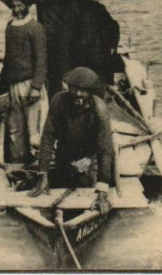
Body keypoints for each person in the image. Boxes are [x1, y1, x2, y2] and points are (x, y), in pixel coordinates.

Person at [28, 67, 113, 216]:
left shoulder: (100, 110)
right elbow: (47, 138)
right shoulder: (58, 102)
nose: (79, 94)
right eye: (75, 89)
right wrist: (43, 174)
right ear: (68, 87)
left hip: (89, 162)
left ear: (91, 92)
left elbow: (105, 152)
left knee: (83, 193)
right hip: (63, 159)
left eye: (84, 90)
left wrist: (102, 194)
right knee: (46, 191)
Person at [0, 0, 48, 164]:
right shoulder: (10, 26)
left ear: (27, 6)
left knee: (34, 128)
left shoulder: (35, 28)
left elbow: (41, 60)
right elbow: (9, 57)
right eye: (14, 6)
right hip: (14, 85)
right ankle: (17, 163)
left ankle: (39, 164)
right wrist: (1, 79)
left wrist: (36, 87)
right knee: (14, 128)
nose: (17, 9)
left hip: (30, 84)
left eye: (20, 6)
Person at [71, 0, 120, 85]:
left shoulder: (100, 9)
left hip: (100, 61)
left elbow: (114, 27)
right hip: (83, 62)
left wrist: (112, 45)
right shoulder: (75, 9)